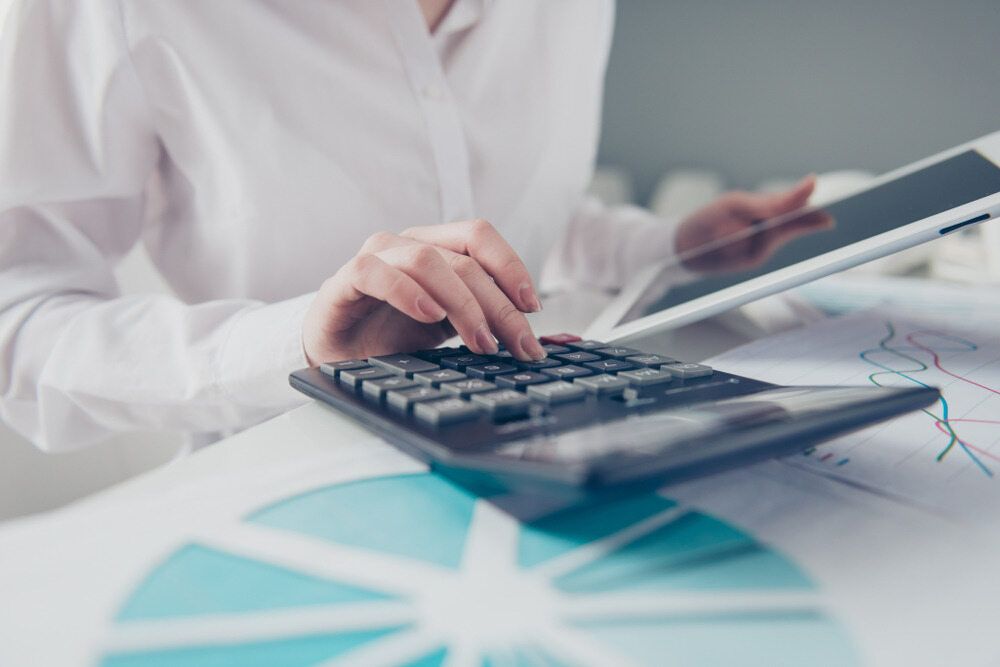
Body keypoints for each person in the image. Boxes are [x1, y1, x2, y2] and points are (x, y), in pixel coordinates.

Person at [0, 0, 818, 453]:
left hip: (554, 461)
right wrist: (300, 345)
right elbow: (18, 318)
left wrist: (670, 244)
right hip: (285, 493)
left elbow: (518, 217)